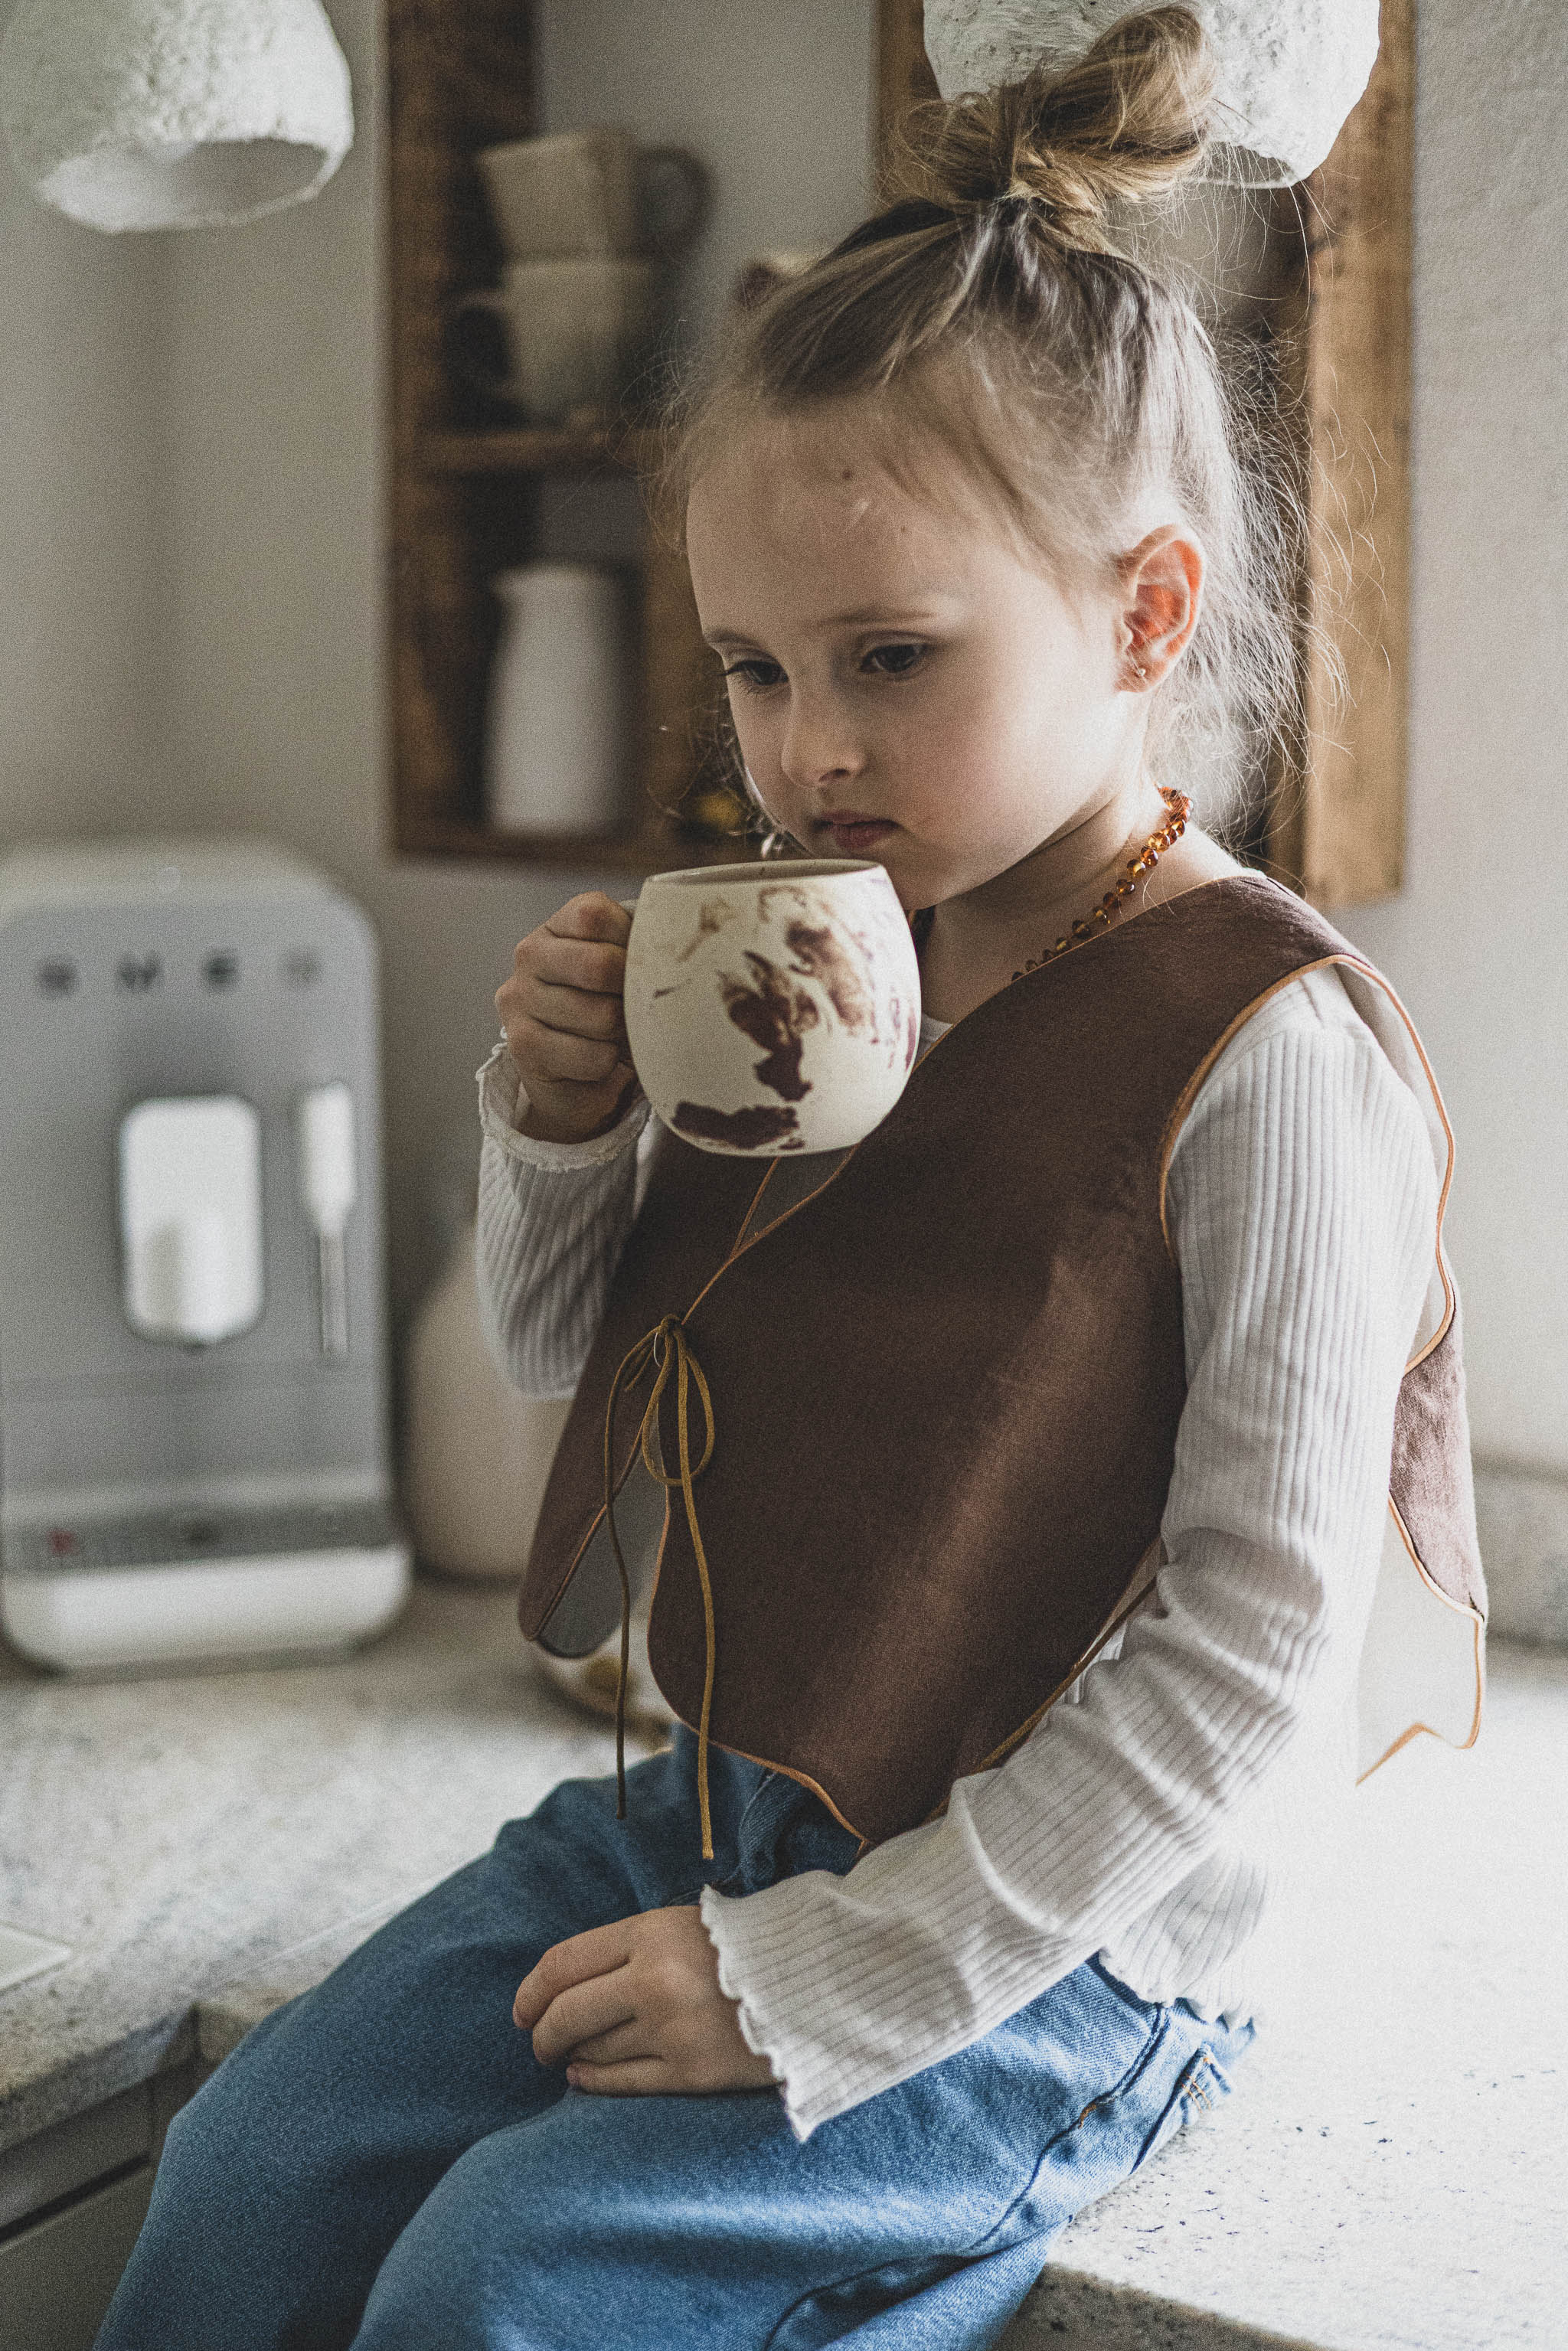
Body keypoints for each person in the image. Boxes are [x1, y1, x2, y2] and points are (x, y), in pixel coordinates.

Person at [97, 11, 1483, 2347]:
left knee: (505, 2287)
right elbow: (577, 1362)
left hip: (1065, 1940)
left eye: (892, 658)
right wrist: (551, 1126)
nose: (804, 750)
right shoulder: (830, 962)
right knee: (245, 2172)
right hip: (733, 1798)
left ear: (1144, 617)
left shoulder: (1269, 1049)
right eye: (751, 667)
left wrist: (825, 1976)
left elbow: (1254, 1653)